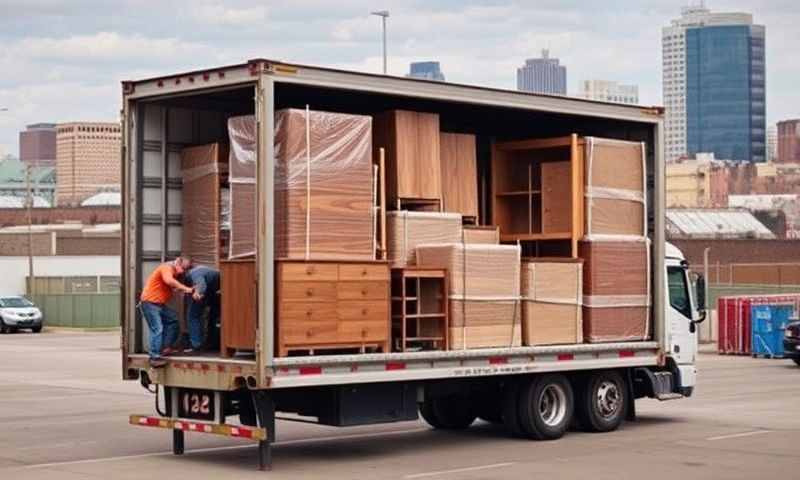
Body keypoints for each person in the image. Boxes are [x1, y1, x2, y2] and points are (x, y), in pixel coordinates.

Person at [139, 256, 194, 367]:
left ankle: (165, 348)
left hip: (159, 304)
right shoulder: (166, 267)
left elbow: (169, 285)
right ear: (178, 261)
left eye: (187, 269)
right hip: (150, 303)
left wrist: (181, 290)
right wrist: (186, 288)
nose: (184, 271)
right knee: (157, 329)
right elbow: (169, 281)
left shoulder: (174, 272)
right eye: (184, 268)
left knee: (173, 320)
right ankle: (154, 357)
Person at [184, 264, 221, 353]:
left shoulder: (193, 273)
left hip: (209, 291)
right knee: (213, 317)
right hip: (217, 291)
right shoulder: (203, 269)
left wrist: (198, 293)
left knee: (192, 316)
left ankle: (196, 345)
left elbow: (201, 284)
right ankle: (213, 344)